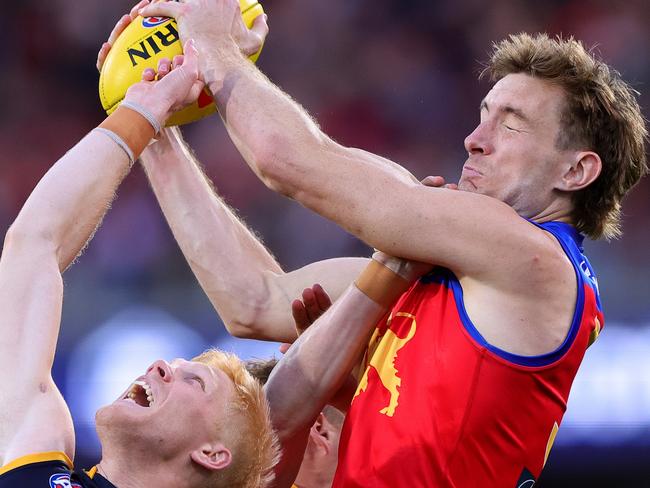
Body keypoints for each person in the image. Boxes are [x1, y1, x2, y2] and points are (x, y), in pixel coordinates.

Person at [135, 0, 648, 485]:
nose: (475, 137)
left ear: (576, 171)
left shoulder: (534, 260)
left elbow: (291, 161)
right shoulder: (432, 263)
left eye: (510, 125)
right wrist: (154, 125)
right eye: (484, 113)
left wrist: (215, 49)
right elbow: (254, 300)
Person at [0, 41, 280, 488]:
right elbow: (32, 247)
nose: (158, 366)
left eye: (194, 382)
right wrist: (141, 112)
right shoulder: (36, 460)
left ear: (212, 453)